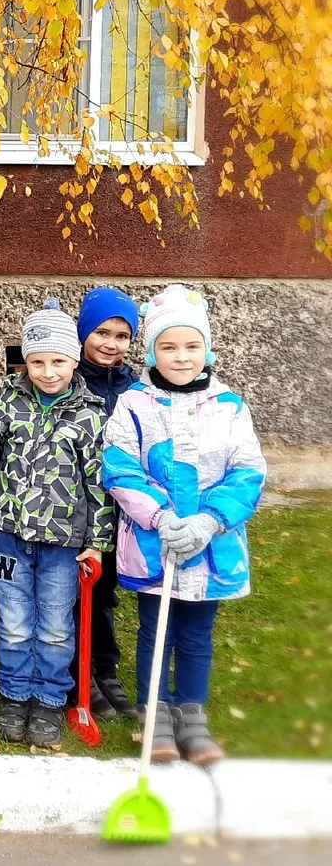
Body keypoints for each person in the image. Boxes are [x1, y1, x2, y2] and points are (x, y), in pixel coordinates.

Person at [103, 284, 266, 765]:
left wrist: (210, 520)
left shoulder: (229, 407)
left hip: (211, 545)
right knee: (158, 631)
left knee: (197, 633)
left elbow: (248, 470)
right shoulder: (134, 403)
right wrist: (162, 516)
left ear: (207, 348)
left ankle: (192, 715)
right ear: (153, 350)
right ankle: (155, 715)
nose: (180, 356)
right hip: (157, 543)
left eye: (191, 346)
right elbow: (119, 466)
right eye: (168, 347)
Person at [0, 300, 112, 747]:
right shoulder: (5, 400)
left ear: (74, 360)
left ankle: (49, 698)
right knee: (15, 619)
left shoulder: (90, 413)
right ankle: (15, 693)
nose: (47, 371)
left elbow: (99, 484)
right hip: (8, 537)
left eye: (58, 361)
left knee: (56, 625)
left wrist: (97, 541)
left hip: (63, 542)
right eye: (37, 361)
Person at [71, 286, 142, 719]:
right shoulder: (67, 376)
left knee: (106, 593)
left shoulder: (134, 387)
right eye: (101, 332)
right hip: (73, 505)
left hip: (118, 511)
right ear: (83, 331)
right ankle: (79, 674)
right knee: (76, 594)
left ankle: (106, 669)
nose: (110, 344)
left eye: (121, 335)